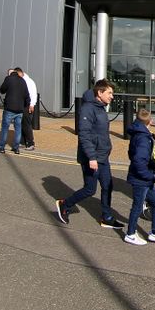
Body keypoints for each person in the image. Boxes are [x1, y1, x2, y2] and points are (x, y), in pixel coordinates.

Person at [55, 79, 123, 230]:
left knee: (108, 186)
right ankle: (64, 204)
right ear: (100, 93)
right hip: (91, 158)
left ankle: (106, 217)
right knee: (90, 189)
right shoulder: (88, 108)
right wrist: (91, 157)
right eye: (109, 93)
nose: (112, 96)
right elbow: (84, 134)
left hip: (102, 156)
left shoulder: (101, 108)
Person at [122, 108, 155, 246]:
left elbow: (131, 154)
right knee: (137, 206)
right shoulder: (143, 138)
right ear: (151, 121)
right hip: (141, 179)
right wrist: (147, 175)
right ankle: (130, 234)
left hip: (145, 178)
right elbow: (138, 160)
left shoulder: (140, 134)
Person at [0, 67, 30, 154]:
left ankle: (1, 147)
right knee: (18, 128)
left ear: (11, 73)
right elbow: (27, 96)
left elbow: (2, 90)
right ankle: (16, 148)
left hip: (9, 108)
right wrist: (25, 105)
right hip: (20, 109)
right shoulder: (23, 81)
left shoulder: (9, 79)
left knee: (5, 128)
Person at [19, 68, 38, 151]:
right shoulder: (24, 81)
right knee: (22, 124)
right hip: (24, 105)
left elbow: (33, 93)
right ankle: (23, 142)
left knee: (27, 125)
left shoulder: (28, 81)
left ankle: (30, 143)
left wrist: (32, 105)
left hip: (28, 106)